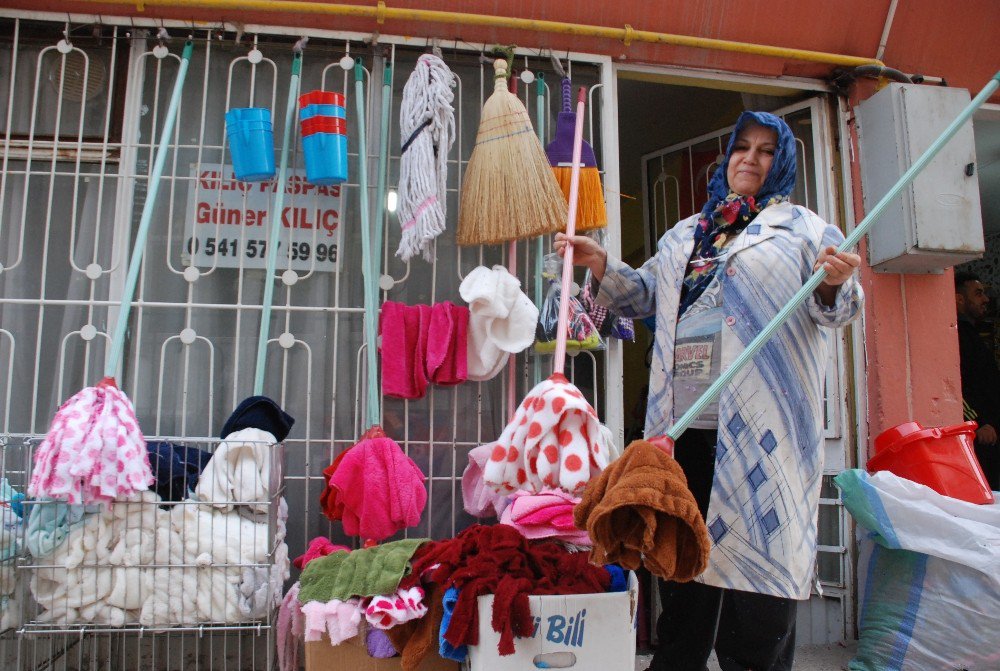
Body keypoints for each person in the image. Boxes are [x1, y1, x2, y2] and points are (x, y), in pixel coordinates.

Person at [556, 111, 864, 671]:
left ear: (783, 162)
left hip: (765, 437)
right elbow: (643, 295)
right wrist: (601, 263)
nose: (750, 158)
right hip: (686, 430)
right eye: (741, 147)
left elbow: (838, 310)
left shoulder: (807, 231)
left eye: (766, 150)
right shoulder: (686, 234)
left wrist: (837, 282)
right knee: (683, 572)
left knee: (759, 591)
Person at [954, 271, 1000, 490]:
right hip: (980, 435)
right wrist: (978, 422)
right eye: (978, 293)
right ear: (959, 299)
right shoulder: (955, 336)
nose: (985, 299)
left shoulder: (971, 334)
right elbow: (954, 385)